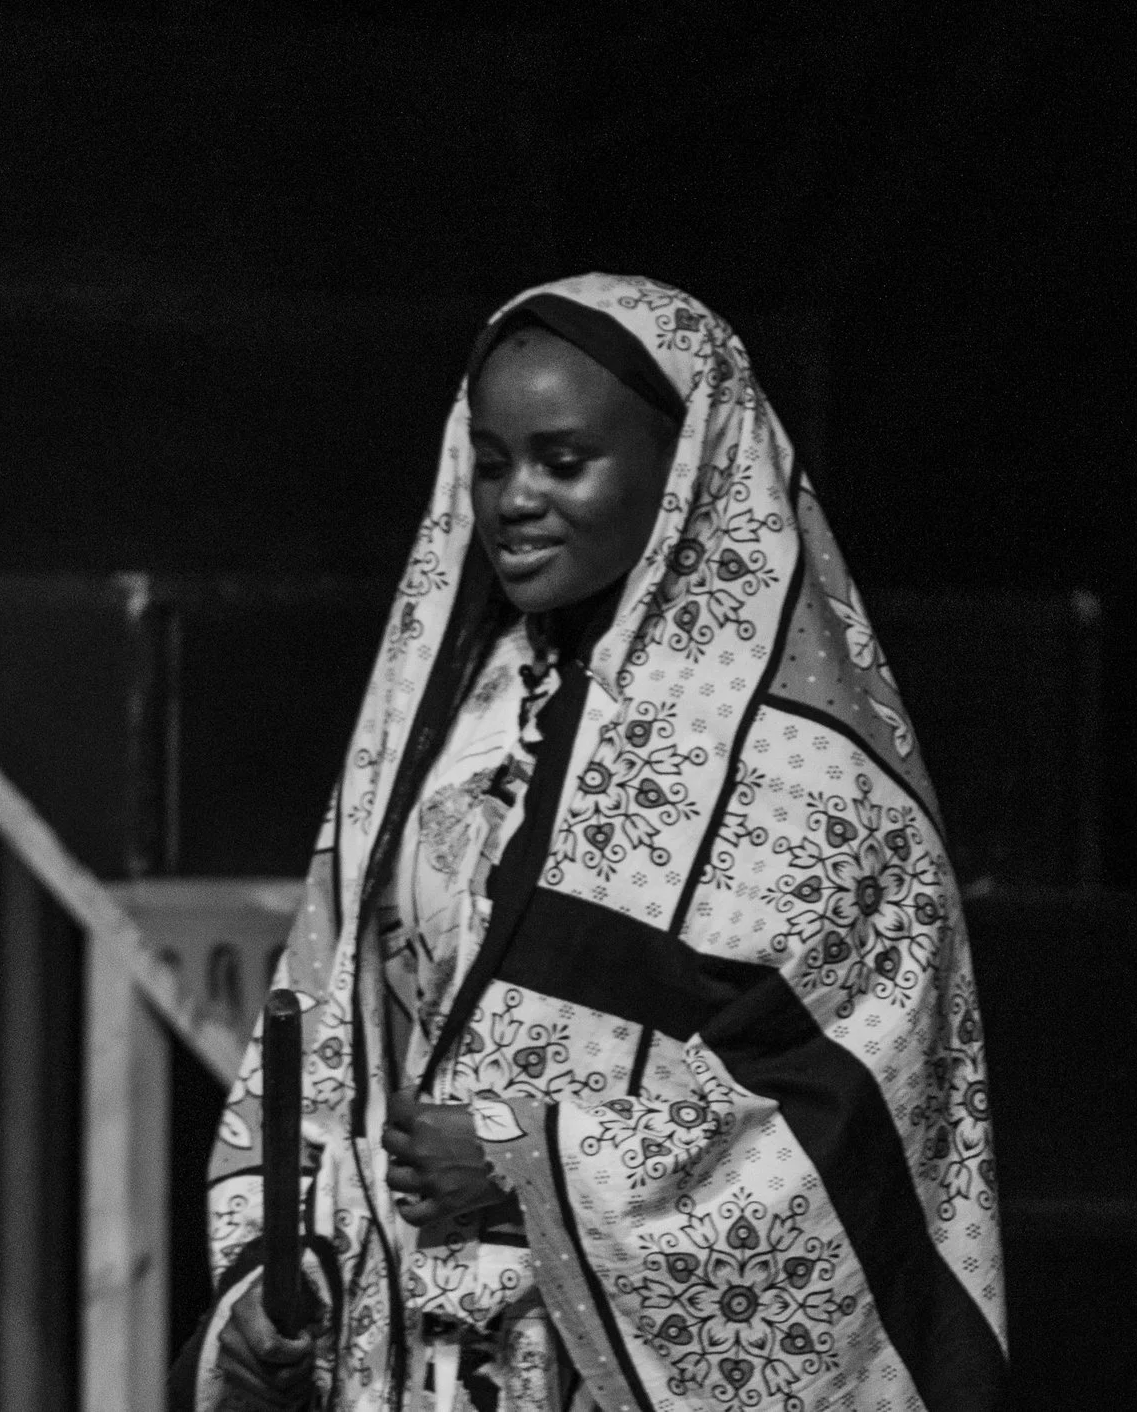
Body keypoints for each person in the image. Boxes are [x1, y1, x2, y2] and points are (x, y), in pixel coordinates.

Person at [190, 275, 1004, 1411]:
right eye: (488, 460)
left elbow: (863, 1129)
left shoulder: (812, 776)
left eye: (563, 461)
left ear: (685, 471)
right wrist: (273, 1286)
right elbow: (330, 1028)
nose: (515, 497)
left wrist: (533, 1164)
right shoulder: (434, 721)